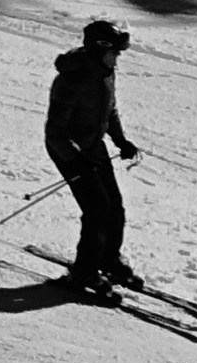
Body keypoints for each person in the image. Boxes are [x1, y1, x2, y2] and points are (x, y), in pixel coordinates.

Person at [44, 19, 141, 291]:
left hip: (92, 146)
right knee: (97, 208)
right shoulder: (71, 80)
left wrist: (121, 141)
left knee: (115, 205)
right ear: (100, 49)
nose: (118, 58)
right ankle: (84, 273)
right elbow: (55, 132)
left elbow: (109, 111)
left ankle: (108, 259)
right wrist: (76, 158)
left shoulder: (105, 72)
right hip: (67, 150)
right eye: (115, 52)